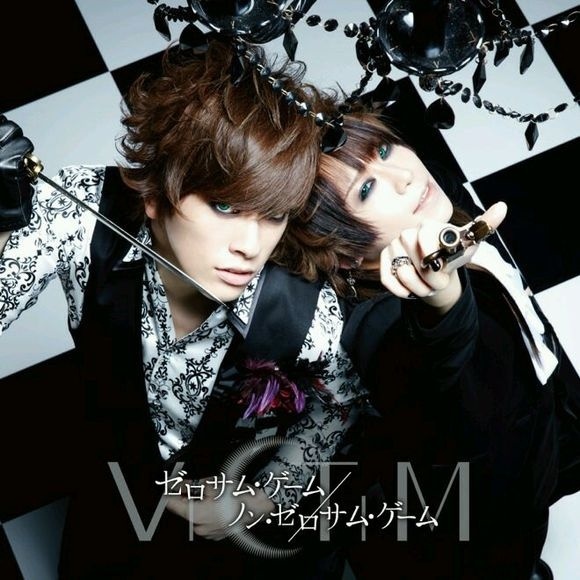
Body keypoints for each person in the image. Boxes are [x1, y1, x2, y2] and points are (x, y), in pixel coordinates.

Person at [0, 38, 371, 579]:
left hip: (231, 519)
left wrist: (257, 500)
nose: (251, 246)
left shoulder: (309, 315)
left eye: (273, 215)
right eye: (224, 205)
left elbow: (342, 407)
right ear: (154, 195)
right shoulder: (80, 215)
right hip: (112, 480)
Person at [275, 109, 578, 579]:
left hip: (528, 447)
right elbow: (436, 350)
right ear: (346, 252)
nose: (404, 176)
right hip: (480, 520)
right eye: (366, 190)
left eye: (383, 150)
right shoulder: (377, 324)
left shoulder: (435, 217)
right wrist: (442, 298)